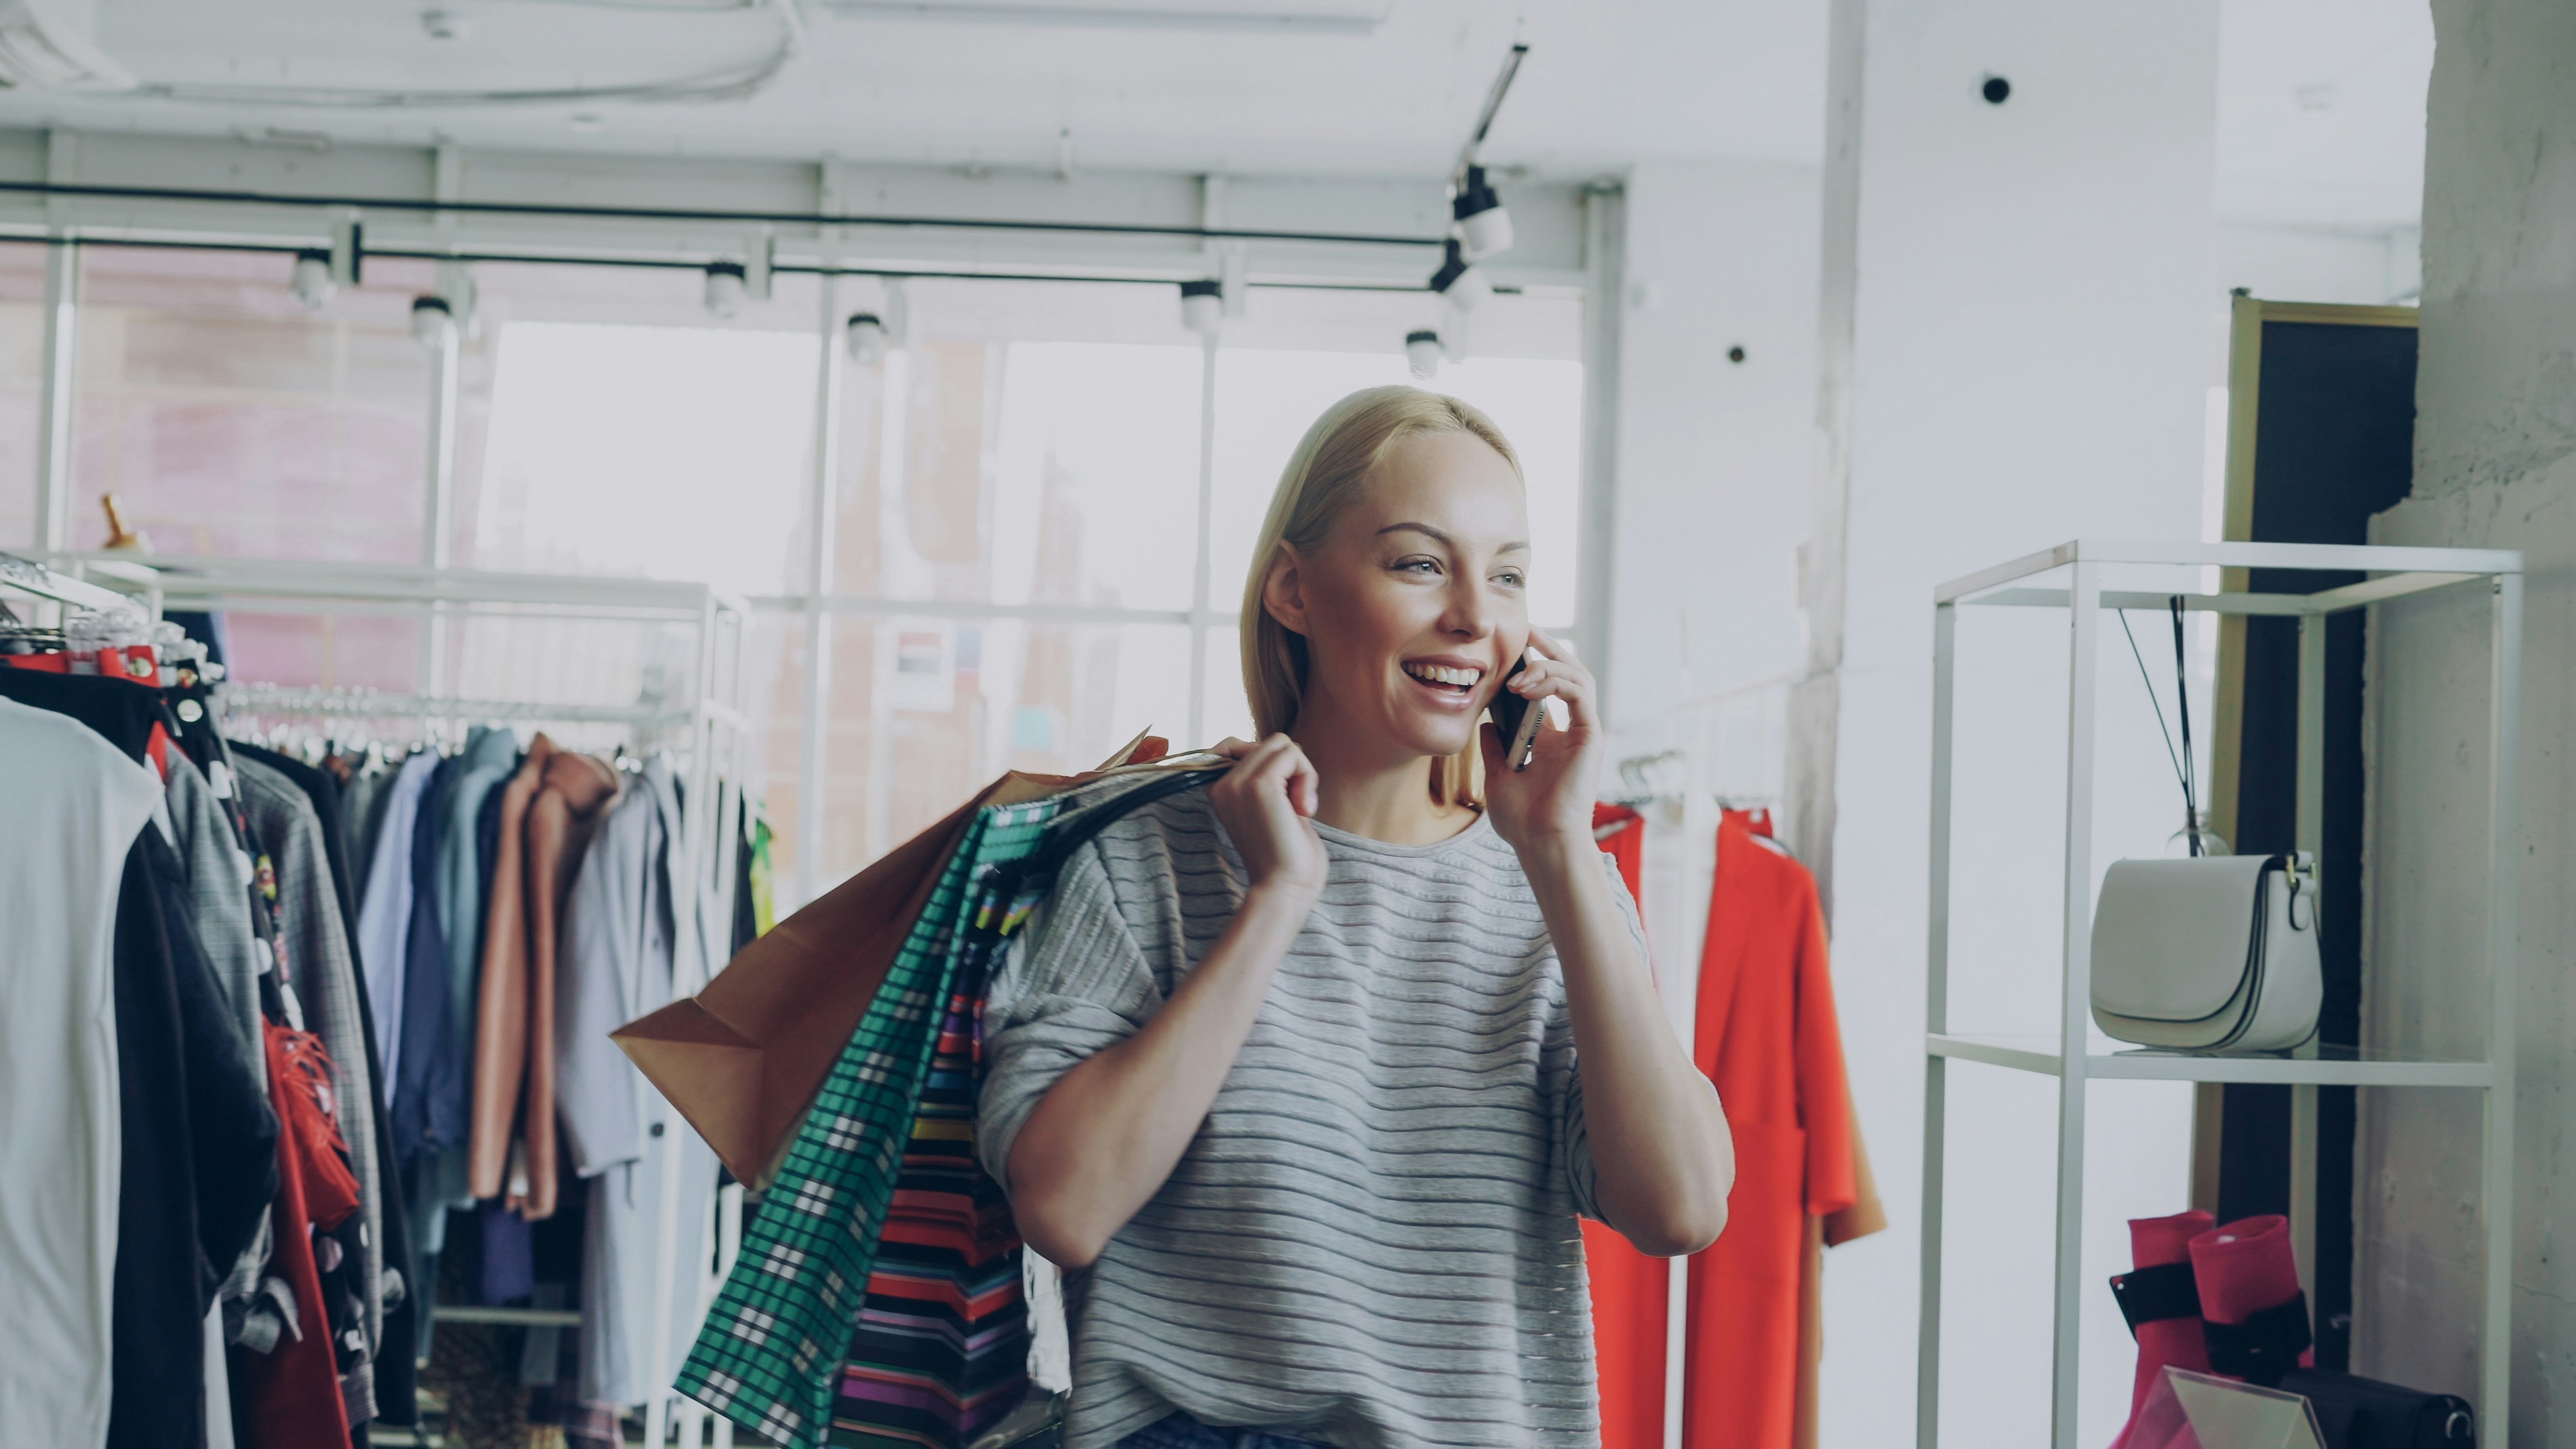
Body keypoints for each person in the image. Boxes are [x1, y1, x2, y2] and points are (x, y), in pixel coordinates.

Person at [978, 385, 1734, 1449]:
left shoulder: (1558, 880)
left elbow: (1684, 1207)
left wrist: (1561, 854)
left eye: (1508, 573)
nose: (1476, 615)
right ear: (1293, 586)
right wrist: (1277, 900)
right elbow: (1064, 1205)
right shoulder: (1143, 858)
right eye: (1421, 562)